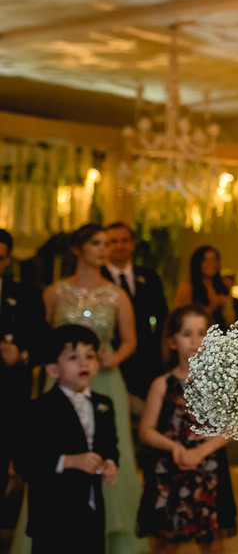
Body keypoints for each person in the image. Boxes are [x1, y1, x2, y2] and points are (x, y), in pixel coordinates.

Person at [13, 223, 143, 554]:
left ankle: (105, 535)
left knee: (109, 452)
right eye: (96, 243)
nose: (104, 249)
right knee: (55, 444)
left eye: (106, 244)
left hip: (105, 379)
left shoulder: (116, 295)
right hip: (59, 378)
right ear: (78, 249)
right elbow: (40, 339)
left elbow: (130, 340)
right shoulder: (55, 293)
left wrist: (114, 356)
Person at [137, 306, 235, 551]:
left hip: (209, 468)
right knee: (166, 540)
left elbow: (231, 427)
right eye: (186, 333)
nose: (195, 341)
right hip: (170, 469)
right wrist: (176, 448)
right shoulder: (162, 384)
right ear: (172, 341)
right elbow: (146, 431)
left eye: (202, 333)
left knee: (212, 540)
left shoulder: (219, 383)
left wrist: (199, 453)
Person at [16, 324, 119, 554]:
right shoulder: (39, 409)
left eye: (90, 356)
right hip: (53, 513)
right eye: (73, 357)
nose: (84, 363)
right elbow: (24, 459)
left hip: (92, 509)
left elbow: (109, 445)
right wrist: (68, 461)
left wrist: (111, 462)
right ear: (53, 369)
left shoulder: (104, 404)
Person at [0, 229, 49, 488]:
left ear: (7, 260)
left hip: (7, 396)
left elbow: (44, 343)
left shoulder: (26, 297)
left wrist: (22, 354)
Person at [102, 222, 168, 410]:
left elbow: (161, 315)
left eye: (124, 240)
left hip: (147, 360)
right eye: (113, 241)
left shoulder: (149, 277)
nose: (119, 246)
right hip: (113, 359)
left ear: (132, 244)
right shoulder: (99, 278)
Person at [174, 247, 232, 329]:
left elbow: (231, 320)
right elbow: (181, 317)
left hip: (221, 335)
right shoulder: (188, 287)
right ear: (198, 263)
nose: (210, 264)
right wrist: (212, 307)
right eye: (205, 260)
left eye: (214, 260)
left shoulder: (222, 287)